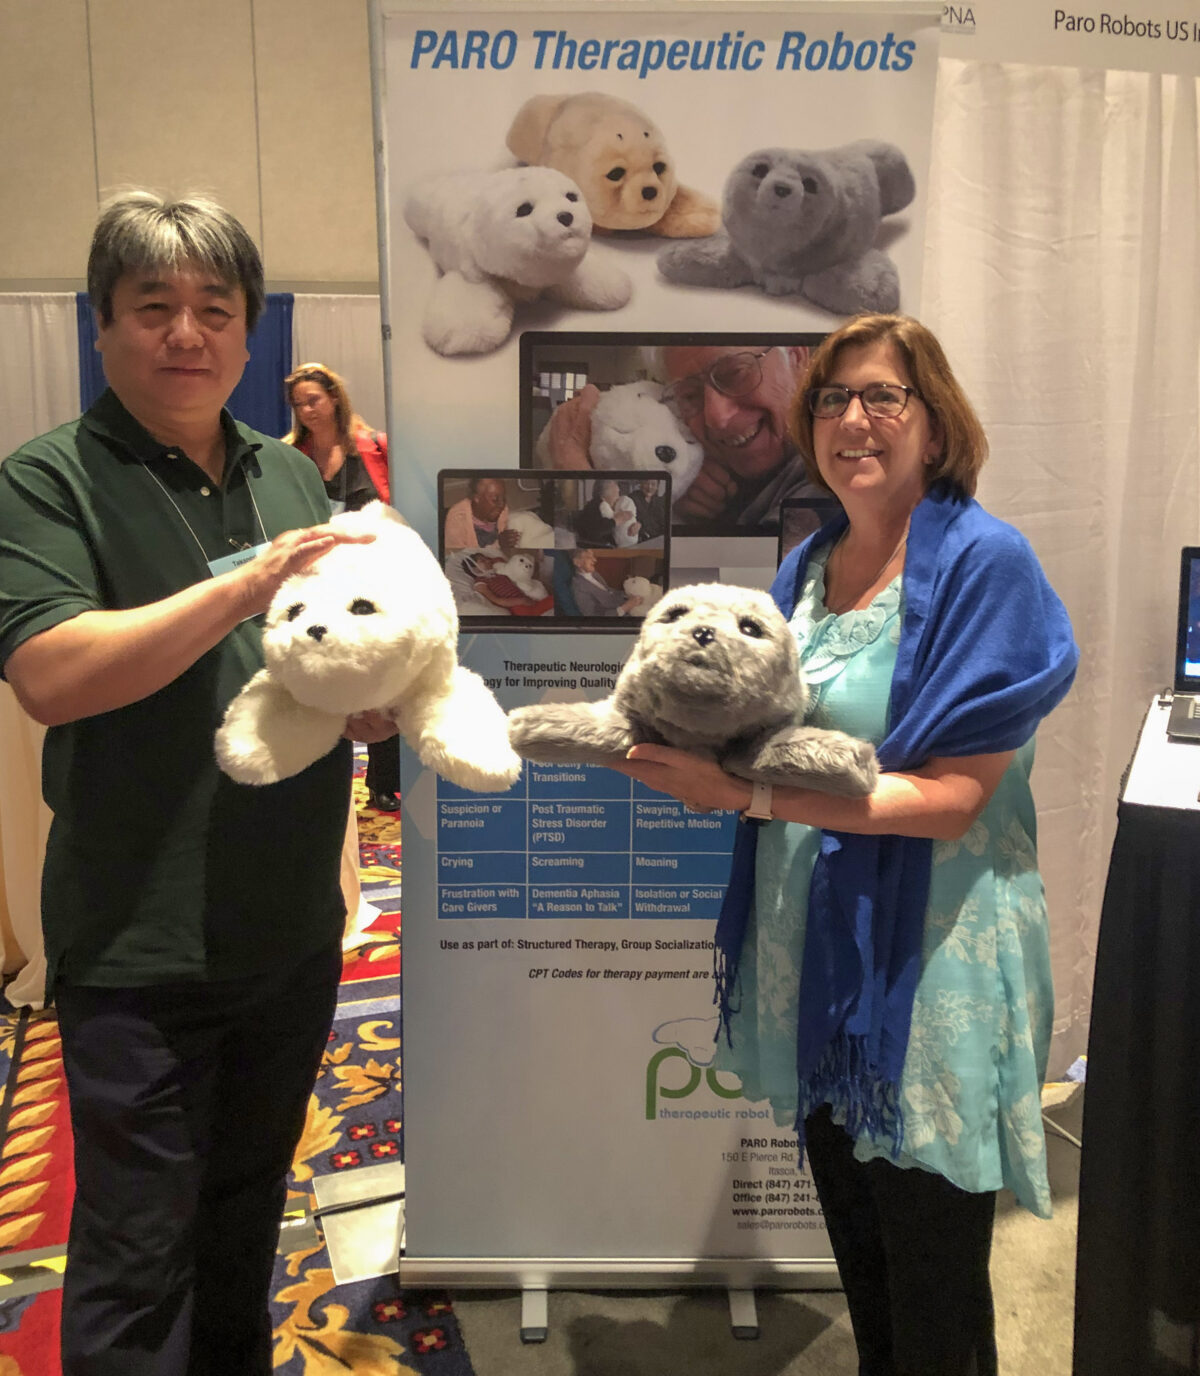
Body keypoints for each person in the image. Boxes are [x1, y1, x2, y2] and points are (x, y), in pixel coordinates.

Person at [607, 315, 1078, 1375]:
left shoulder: (984, 563)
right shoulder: (810, 566)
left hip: (931, 958)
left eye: (882, 396)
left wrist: (744, 790)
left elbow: (954, 797)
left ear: (934, 417)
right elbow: (757, 730)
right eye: (831, 398)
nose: (853, 420)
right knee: (863, 1254)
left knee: (933, 1277)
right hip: (816, 952)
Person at [0, 191, 398, 1376]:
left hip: (288, 922)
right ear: (100, 323)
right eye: (154, 307)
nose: (187, 334)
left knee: (246, 1221)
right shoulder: (46, 478)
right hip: (140, 935)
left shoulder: (290, 474)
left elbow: (317, 654)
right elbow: (53, 675)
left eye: (214, 310)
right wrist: (243, 584)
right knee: (135, 1249)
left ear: (249, 329)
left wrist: (364, 698)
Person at [284, 363, 400, 813]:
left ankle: (383, 780)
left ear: (334, 397)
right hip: (316, 585)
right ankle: (324, 780)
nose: (306, 410)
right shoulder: (290, 454)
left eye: (312, 399)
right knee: (324, 678)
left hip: (374, 578)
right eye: (298, 404)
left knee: (379, 677)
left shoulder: (376, 448)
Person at [542, 344, 822, 529]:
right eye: (690, 394)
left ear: (797, 358)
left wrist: (571, 467)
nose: (717, 418)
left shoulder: (827, 481)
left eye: (735, 373)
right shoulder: (711, 472)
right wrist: (678, 490)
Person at [443, 475, 518, 553]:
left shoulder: (502, 509)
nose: (502, 504)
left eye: (503, 499)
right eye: (495, 499)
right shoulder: (457, 519)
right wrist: (499, 544)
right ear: (477, 498)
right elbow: (460, 558)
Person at [569, 548, 638, 617]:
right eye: (589, 557)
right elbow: (592, 615)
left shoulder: (594, 574)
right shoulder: (578, 587)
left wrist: (627, 595)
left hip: (624, 603)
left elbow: (609, 590)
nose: (595, 560)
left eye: (593, 556)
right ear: (577, 562)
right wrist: (626, 607)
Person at [630, 476, 667, 543]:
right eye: (646, 483)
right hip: (639, 540)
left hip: (658, 540)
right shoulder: (632, 498)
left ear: (657, 487)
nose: (649, 487)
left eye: (653, 484)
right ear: (641, 484)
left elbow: (663, 523)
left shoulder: (660, 501)